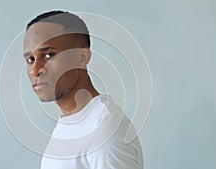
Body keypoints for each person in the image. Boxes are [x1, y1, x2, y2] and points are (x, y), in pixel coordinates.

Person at [23, 10, 143, 169]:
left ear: (82, 57)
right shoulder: (73, 123)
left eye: (49, 55)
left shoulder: (105, 130)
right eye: (30, 59)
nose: (35, 69)